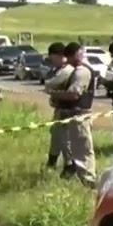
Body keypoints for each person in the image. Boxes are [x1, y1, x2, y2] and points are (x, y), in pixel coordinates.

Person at [45, 41, 96, 185]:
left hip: (80, 115)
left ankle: (89, 182)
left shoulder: (82, 71)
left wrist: (55, 94)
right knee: (76, 149)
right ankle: (83, 179)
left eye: (69, 57)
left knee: (82, 150)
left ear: (75, 55)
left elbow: (74, 94)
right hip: (74, 114)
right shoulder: (78, 70)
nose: (68, 61)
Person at [43, 42, 70, 173]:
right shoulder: (59, 70)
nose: (52, 61)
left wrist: (50, 89)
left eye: (52, 57)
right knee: (56, 136)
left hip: (67, 110)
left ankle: (69, 167)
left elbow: (50, 85)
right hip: (60, 109)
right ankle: (52, 163)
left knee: (65, 140)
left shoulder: (67, 70)